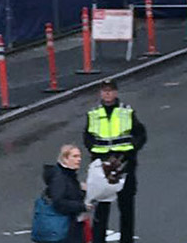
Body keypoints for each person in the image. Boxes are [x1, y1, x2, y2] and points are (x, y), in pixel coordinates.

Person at [84, 79, 147, 243]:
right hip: (102, 168)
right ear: (100, 93)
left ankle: (127, 240)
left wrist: (131, 150)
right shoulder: (94, 113)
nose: (107, 94)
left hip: (124, 165)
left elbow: (141, 134)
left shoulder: (126, 111)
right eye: (104, 91)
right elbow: (88, 137)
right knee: (102, 209)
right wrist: (97, 155)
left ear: (116, 92)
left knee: (126, 208)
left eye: (110, 90)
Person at [41, 144, 87, 243]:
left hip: (70, 226)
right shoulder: (60, 178)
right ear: (65, 159)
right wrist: (83, 206)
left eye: (79, 156)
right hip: (66, 229)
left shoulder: (68, 175)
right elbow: (58, 202)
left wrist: (82, 190)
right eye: (75, 156)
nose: (79, 159)